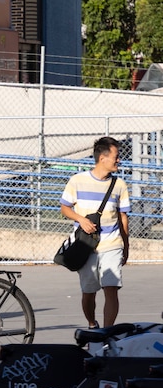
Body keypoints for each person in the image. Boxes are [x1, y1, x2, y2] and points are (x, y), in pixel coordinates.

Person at [59, 136, 130, 328]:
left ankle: (106, 333)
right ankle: (92, 324)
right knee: (88, 292)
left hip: (112, 244)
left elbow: (123, 217)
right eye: (116, 156)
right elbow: (65, 208)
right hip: (85, 246)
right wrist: (81, 220)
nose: (119, 160)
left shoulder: (120, 185)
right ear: (102, 158)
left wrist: (126, 245)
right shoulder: (77, 181)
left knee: (111, 288)